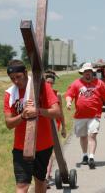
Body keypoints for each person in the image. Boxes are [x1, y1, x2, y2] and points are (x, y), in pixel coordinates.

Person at [3, 60, 61, 192]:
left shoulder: (42, 87)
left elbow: (57, 112)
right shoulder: (9, 94)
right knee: (22, 185)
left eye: (19, 77)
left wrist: (38, 111)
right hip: (20, 147)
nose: (16, 81)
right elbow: (9, 124)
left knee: (40, 182)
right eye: (12, 79)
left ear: (25, 73)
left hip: (43, 145)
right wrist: (22, 116)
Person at [65, 62, 105, 169]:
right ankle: (85, 155)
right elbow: (69, 94)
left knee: (92, 135)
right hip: (80, 116)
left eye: (89, 72)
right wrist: (68, 102)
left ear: (92, 73)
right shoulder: (76, 83)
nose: (87, 74)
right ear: (82, 73)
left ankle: (91, 157)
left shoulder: (99, 83)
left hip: (94, 115)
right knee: (83, 136)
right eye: (85, 72)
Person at [43, 70, 67, 187]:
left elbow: (60, 112)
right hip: (42, 124)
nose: (49, 85)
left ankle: (46, 177)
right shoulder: (39, 94)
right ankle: (43, 174)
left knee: (51, 151)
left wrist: (63, 127)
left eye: (51, 83)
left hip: (53, 124)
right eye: (47, 82)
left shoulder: (56, 95)